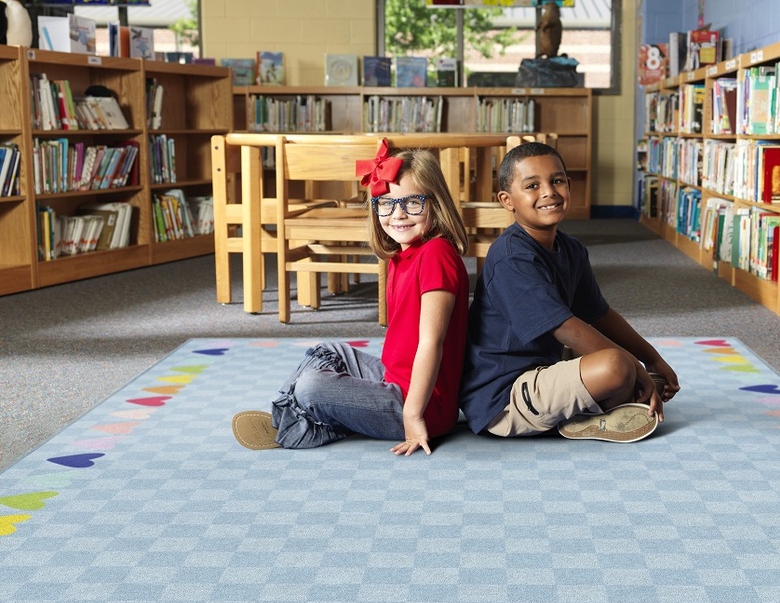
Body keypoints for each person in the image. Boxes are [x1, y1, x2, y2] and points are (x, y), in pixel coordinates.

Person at [232, 140, 470, 456]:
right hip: (394, 378)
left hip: (420, 406)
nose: (398, 215)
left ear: (435, 203)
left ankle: (305, 422)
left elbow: (431, 343)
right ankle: (303, 414)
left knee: (311, 387)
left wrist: (412, 415)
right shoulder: (403, 254)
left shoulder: (437, 254)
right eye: (386, 204)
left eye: (412, 203)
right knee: (326, 351)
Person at [460, 141, 680, 443]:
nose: (548, 191)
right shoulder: (511, 256)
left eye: (557, 180)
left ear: (569, 184)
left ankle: (605, 401)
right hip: (503, 397)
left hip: (545, 368)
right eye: (532, 186)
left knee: (616, 363)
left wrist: (651, 358)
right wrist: (636, 369)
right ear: (507, 200)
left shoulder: (571, 248)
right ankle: (590, 414)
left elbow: (600, 314)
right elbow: (564, 328)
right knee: (616, 365)